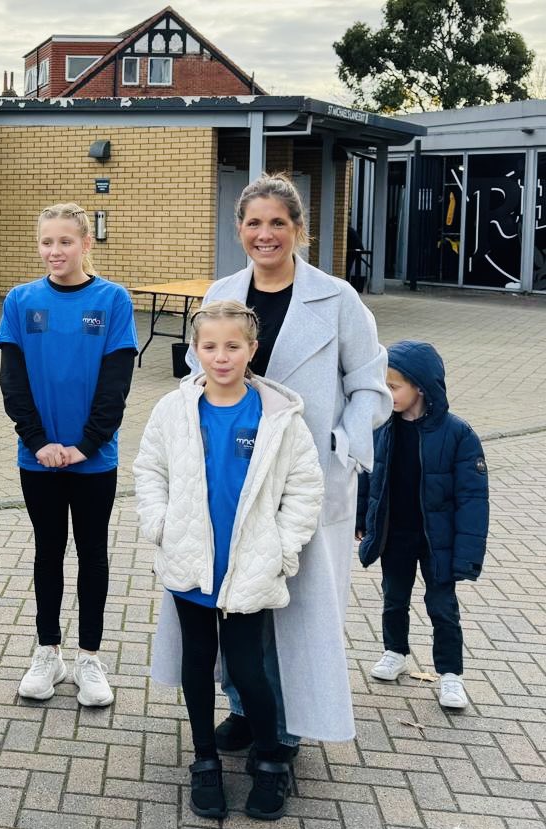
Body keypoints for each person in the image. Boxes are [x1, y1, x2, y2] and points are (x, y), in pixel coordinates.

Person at [152, 172, 392, 755]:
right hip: (228, 484)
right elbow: (197, 375)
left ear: (299, 231)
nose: (266, 235)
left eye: (277, 223)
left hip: (306, 489)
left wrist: (343, 443)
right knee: (234, 602)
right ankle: (242, 708)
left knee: (296, 616)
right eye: (254, 223)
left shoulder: (338, 301)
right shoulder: (222, 294)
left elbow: (371, 388)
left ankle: (286, 729)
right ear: (239, 230)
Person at [135, 300, 322, 820]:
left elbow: (305, 488)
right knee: (197, 663)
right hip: (191, 564)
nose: (221, 356)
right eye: (210, 346)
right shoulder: (173, 411)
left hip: (249, 569)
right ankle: (205, 761)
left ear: (251, 350)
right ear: (195, 350)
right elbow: (149, 470)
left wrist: (282, 550)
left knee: (248, 668)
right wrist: (161, 526)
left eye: (232, 346)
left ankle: (269, 762)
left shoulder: (279, 416)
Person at [0, 203, 137, 708]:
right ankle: (48, 651)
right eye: (47, 242)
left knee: (93, 554)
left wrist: (84, 445)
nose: (55, 251)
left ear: (86, 245)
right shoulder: (20, 300)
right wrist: (40, 443)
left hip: (94, 460)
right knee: (48, 552)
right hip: (39, 459)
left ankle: (90, 659)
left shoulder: (113, 300)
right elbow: (13, 383)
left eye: (65, 242)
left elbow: (116, 386)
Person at [356, 340, 488, 709]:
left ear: (421, 387)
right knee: (393, 598)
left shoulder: (458, 434)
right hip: (395, 534)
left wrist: (467, 554)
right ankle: (395, 652)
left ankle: (451, 676)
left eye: (393, 386)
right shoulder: (382, 426)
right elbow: (368, 474)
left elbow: (473, 499)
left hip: (437, 541)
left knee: (442, 607)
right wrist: (360, 516)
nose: (387, 393)